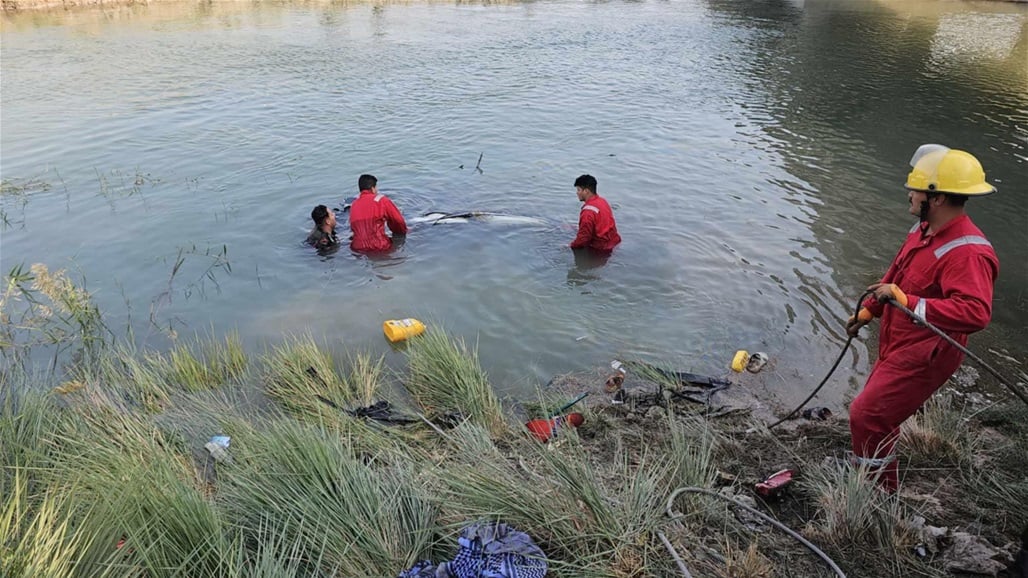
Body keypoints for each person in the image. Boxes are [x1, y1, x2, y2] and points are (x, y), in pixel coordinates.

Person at [845, 145, 999, 492]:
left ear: (938, 197)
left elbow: (976, 312)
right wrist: (871, 308)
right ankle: (868, 470)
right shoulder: (923, 229)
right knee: (877, 412)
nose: (909, 194)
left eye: (915, 189)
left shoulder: (969, 252)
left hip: (927, 352)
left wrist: (909, 302)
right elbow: (896, 277)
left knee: (868, 414)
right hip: (900, 341)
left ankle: (877, 493)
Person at [348, 174, 407, 253]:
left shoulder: (353, 205)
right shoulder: (382, 200)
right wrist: (401, 233)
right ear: (373, 188)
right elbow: (398, 221)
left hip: (358, 248)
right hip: (379, 246)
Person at [570, 174, 621, 252]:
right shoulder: (602, 201)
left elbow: (583, 239)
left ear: (586, 191)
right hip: (614, 241)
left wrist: (570, 246)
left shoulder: (587, 212)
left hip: (601, 249)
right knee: (571, 227)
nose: (577, 193)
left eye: (578, 190)